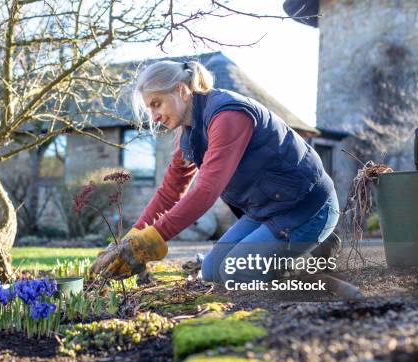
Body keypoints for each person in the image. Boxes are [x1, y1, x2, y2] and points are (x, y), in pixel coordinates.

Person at [90, 60, 341, 283]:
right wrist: (131, 239)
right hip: (266, 209)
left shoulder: (228, 115)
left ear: (181, 90)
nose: (154, 116)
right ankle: (293, 250)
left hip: (306, 207)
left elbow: (206, 191)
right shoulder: (188, 134)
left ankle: (306, 260)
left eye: (157, 104)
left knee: (236, 271)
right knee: (211, 271)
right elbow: (169, 192)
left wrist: (150, 242)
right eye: (149, 109)